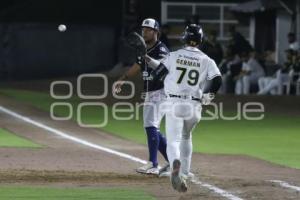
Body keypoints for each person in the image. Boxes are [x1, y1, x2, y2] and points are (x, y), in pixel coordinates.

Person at [150, 24, 222, 192]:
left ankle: (175, 163)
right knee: (186, 136)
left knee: (173, 140)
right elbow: (218, 80)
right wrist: (209, 95)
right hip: (194, 105)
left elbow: (157, 74)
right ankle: (185, 172)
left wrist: (152, 63)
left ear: (184, 38)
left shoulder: (173, 56)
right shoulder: (206, 59)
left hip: (175, 103)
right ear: (200, 40)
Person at [114, 18, 169, 175]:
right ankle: (172, 161)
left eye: (148, 30)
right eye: (143, 29)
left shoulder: (162, 50)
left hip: (161, 91)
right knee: (153, 128)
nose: (144, 32)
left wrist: (147, 58)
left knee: (151, 125)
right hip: (151, 92)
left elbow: (163, 69)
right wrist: (122, 79)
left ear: (156, 32)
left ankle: (153, 163)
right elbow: (137, 66)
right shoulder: (145, 49)